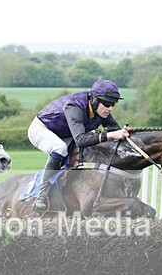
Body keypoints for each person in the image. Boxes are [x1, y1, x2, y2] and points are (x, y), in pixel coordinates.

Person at [28, 79, 130, 212]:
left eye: (113, 104)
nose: (110, 108)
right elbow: (81, 140)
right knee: (60, 148)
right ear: (93, 100)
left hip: (67, 132)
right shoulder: (75, 106)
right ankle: (42, 196)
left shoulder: (101, 109)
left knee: (94, 140)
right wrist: (110, 135)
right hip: (42, 129)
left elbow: (114, 130)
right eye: (106, 103)